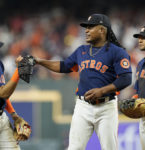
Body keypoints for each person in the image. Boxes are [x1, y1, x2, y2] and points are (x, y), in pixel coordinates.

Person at [34, 14, 132, 150]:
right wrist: (39, 61)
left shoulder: (117, 52)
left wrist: (102, 90)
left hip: (106, 107)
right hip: (83, 106)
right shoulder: (82, 50)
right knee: (74, 148)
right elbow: (63, 66)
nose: (86, 30)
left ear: (102, 30)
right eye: (86, 27)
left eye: (91, 27)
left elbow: (126, 78)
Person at [0, 43, 27, 150]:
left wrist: (13, 113)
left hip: (2, 117)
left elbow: (2, 93)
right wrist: (18, 71)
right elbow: (3, 93)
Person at [133, 25, 145, 150]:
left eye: (144, 37)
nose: (140, 40)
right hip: (144, 117)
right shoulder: (140, 64)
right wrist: (135, 100)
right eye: (139, 37)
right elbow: (138, 91)